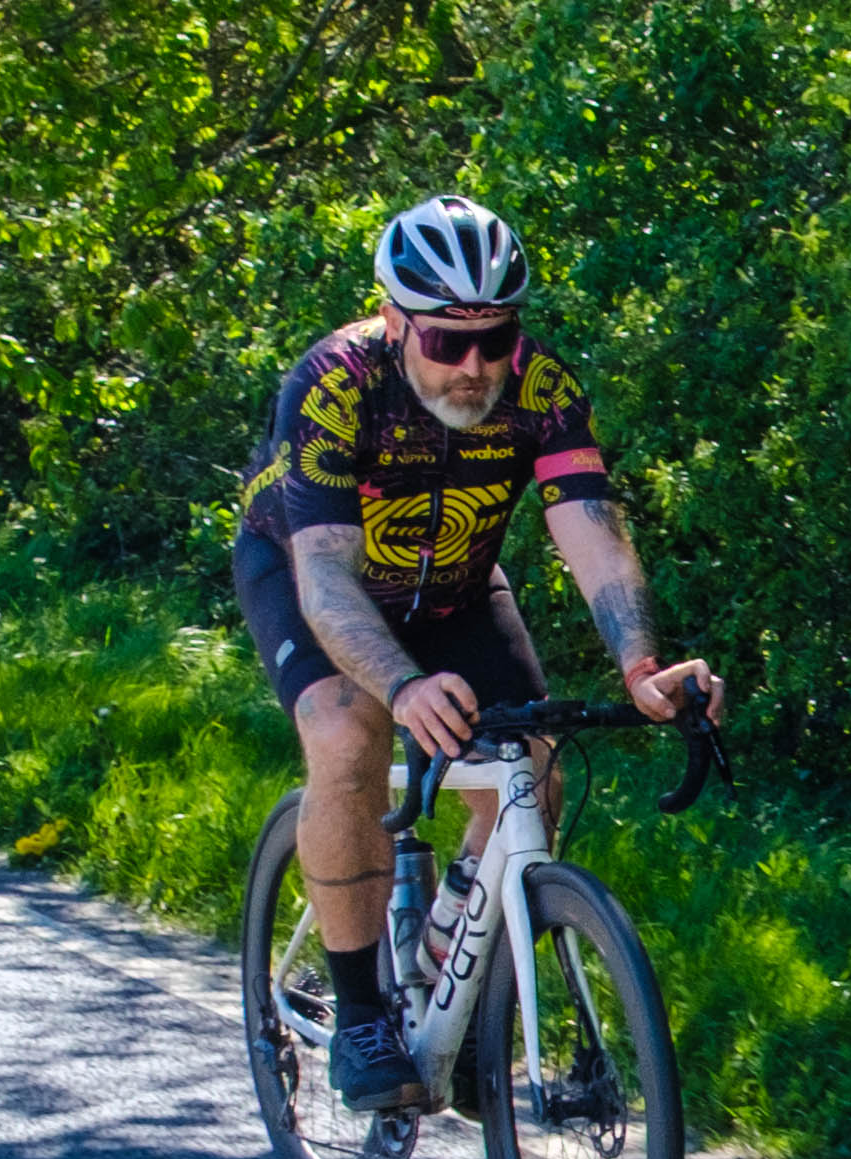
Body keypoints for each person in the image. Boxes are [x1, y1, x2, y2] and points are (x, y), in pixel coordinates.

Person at [230, 193, 720, 1112]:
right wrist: (403, 686)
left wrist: (641, 667)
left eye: (495, 338)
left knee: (534, 766)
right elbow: (328, 582)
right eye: (447, 343)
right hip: (308, 573)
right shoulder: (336, 383)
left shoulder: (542, 388)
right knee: (345, 734)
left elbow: (593, 535)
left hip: (452, 583)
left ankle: (455, 955)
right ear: (392, 320)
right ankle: (365, 1009)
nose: (475, 366)